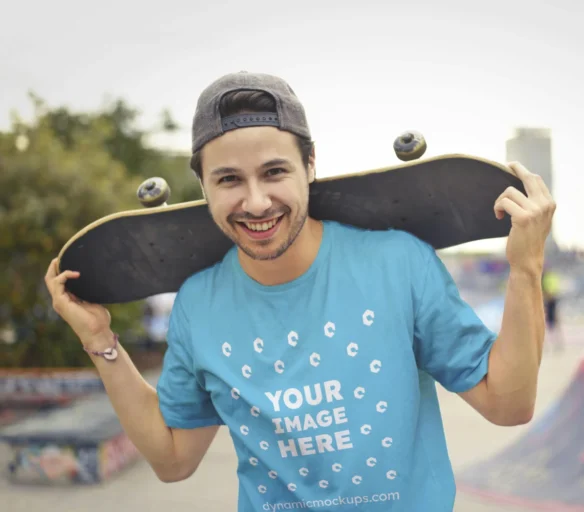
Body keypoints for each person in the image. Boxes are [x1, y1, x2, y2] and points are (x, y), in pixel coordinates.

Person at [44, 71, 556, 511]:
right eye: (228, 180)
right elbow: (173, 460)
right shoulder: (198, 305)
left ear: (310, 165)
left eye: (275, 172)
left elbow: (508, 405)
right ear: (203, 186)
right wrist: (101, 343)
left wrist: (525, 268)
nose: (257, 201)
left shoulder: (398, 263)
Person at [541, 266, 564, 352]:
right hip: (547, 301)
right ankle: (552, 344)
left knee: (552, 324)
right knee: (548, 324)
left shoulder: (547, 277)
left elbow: (551, 291)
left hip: (549, 302)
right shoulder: (546, 277)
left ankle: (556, 344)